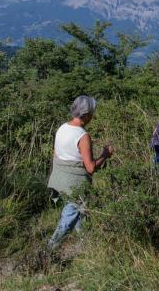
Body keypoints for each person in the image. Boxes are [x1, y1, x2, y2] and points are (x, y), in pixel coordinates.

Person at [47, 95, 113, 249]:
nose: (93, 116)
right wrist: (105, 154)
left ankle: (86, 242)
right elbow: (90, 168)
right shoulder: (83, 136)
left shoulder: (62, 128)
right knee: (70, 213)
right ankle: (50, 247)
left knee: (80, 211)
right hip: (74, 184)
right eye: (93, 113)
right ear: (87, 114)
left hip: (58, 180)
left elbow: (55, 153)